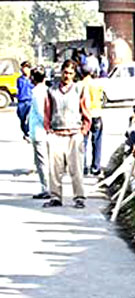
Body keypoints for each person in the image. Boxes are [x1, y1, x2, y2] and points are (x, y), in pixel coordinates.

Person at [43, 60, 91, 209]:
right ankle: (55, 197)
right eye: (65, 72)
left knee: (75, 168)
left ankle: (79, 197)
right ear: (61, 72)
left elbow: (86, 110)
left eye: (70, 73)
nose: (67, 76)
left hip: (74, 134)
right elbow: (47, 111)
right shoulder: (52, 90)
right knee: (55, 169)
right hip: (57, 133)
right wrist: (48, 128)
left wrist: (84, 129)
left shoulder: (79, 89)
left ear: (74, 74)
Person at [27, 66, 50, 199]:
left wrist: (47, 126)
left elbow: (41, 113)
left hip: (40, 131)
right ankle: (48, 187)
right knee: (44, 161)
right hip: (43, 131)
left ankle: (46, 188)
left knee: (42, 162)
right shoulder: (47, 90)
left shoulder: (36, 92)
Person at [81, 66, 104, 176]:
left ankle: (83, 167)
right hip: (96, 114)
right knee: (97, 142)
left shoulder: (80, 85)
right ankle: (96, 167)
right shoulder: (96, 84)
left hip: (84, 115)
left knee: (83, 142)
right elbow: (102, 99)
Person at [16, 61, 33, 140]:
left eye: (26, 68)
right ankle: (25, 132)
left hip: (30, 101)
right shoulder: (19, 79)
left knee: (30, 118)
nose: (24, 70)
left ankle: (29, 132)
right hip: (21, 102)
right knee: (22, 119)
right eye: (23, 68)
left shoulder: (33, 79)